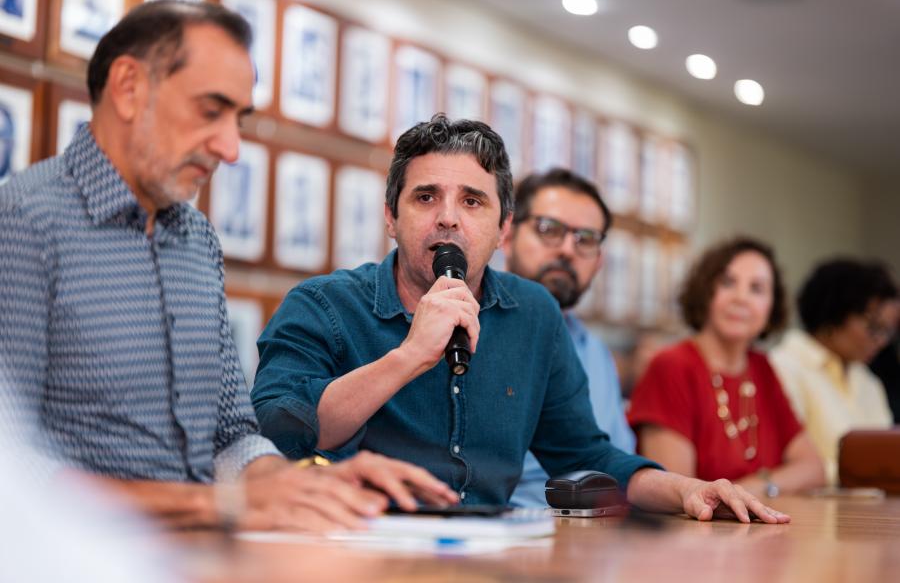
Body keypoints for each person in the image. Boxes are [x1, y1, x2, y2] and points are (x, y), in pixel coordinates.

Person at [0, 0, 456, 534]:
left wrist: (300, 481)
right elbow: (14, 470)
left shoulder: (195, 240)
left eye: (237, 120)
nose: (230, 148)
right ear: (128, 87)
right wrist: (213, 505)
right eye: (210, 111)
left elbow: (230, 433)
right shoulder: (23, 223)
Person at [252, 114, 790, 524]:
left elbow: (584, 454)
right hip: (356, 550)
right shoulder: (322, 305)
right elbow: (280, 432)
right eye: (425, 197)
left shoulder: (534, 313)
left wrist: (689, 490)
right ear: (391, 216)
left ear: (503, 229)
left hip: (492, 555)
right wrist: (409, 356)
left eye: (472, 202)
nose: (448, 217)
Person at [628, 237, 825, 498]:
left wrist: (754, 488)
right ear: (705, 291)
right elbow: (677, 494)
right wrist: (764, 488)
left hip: (762, 521)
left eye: (756, 288)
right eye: (727, 282)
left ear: (771, 306)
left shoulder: (761, 368)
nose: (741, 298)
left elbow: (813, 469)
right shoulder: (671, 366)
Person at [500, 168, 635, 507]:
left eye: (585, 239)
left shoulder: (596, 353)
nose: (567, 250)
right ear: (506, 235)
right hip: (500, 528)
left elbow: (616, 466)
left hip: (595, 529)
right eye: (549, 229)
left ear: (599, 261)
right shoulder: (465, 332)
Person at [770, 258, 899, 483]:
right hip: (808, 501)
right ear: (834, 312)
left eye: (888, 332)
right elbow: (788, 463)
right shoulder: (785, 366)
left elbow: (886, 455)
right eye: (873, 327)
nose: (881, 341)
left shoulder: (867, 380)